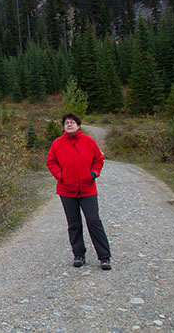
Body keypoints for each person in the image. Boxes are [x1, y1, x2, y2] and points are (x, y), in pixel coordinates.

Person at [46, 112, 112, 270]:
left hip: (87, 189)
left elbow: (98, 159)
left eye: (72, 122)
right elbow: (50, 161)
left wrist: (94, 173)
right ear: (64, 126)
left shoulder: (88, 141)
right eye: (66, 122)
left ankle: (104, 257)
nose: (69, 124)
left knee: (94, 221)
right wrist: (60, 175)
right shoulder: (57, 143)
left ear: (78, 125)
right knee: (73, 223)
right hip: (66, 190)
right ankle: (79, 254)